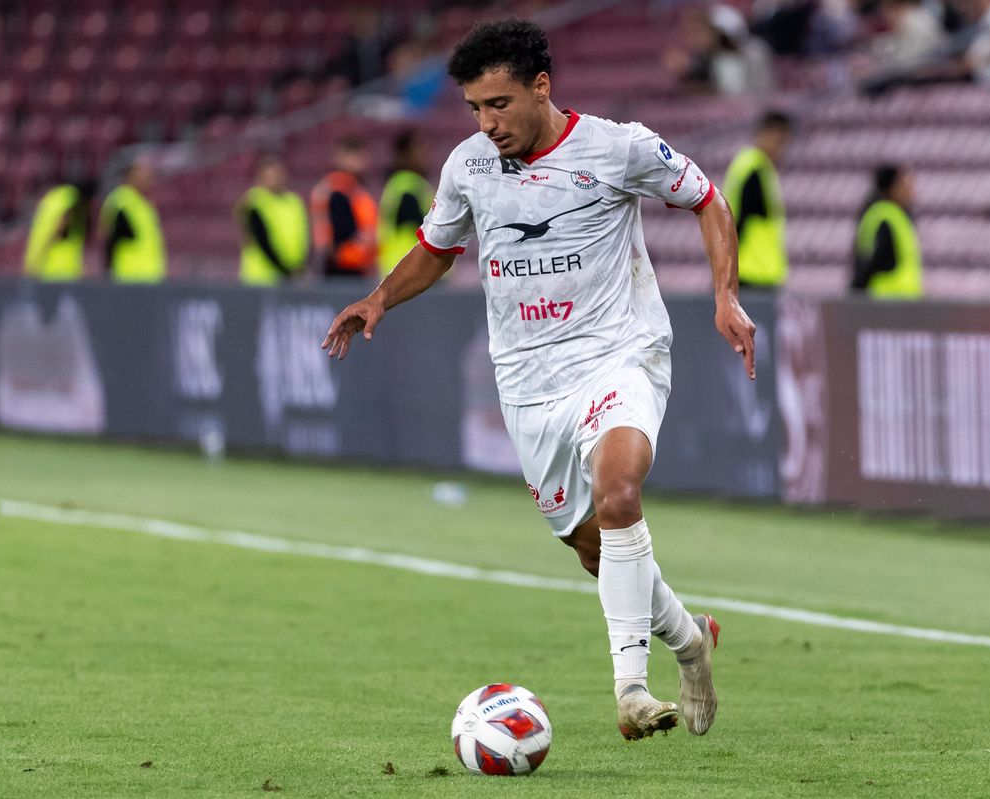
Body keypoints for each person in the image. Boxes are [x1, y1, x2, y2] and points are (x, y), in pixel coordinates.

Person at [322, 18, 757, 741]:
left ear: (541, 87)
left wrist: (726, 296)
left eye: (499, 104)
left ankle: (631, 690)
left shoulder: (617, 148)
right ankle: (690, 641)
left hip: (620, 353)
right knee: (592, 547)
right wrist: (379, 299)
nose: (487, 123)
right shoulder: (468, 165)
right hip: (528, 380)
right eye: (475, 108)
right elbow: (437, 247)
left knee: (620, 492)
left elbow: (708, 199)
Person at [723, 111, 792, 290]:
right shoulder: (754, 169)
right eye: (779, 141)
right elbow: (740, 219)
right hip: (752, 270)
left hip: (754, 269)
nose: (781, 149)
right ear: (766, 134)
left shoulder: (752, 165)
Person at [310, 136, 379, 279]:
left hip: (357, 263)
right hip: (343, 264)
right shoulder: (338, 189)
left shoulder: (354, 188)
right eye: (353, 155)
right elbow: (340, 230)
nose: (358, 161)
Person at [236, 153, 310, 286]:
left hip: (290, 275)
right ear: (260, 177)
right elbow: (262, 241)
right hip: (261, 277)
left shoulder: (294, 201)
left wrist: (300, 266)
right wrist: (286, 271)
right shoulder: (255, 202)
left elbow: (303, 236)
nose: (275, 179)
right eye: (270, 176)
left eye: (277, 174)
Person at [851, 164, 923, 298]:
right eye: (905, 183)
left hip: (901, 303)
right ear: (892, 187)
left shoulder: (898, 216)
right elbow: (867, 265)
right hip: (884, 302)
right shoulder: (884, 218)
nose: (911, 190)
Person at [377, 130, 434, 276]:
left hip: (403, 267)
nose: (423, 155)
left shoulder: (402, 183)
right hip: (410, 268)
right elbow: (424, 224)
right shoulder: (407, 185)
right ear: (405, 154)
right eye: (418, 149)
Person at [100, 161, 166, 283]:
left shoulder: (141, 202)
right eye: (143, 175)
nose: (147, 179)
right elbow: (111, 237)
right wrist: (108, 269)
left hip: (148, 274)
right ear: (130, 176)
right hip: (129, 274)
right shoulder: (122, 200)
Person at [24, 180, 96, 282]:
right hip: (59, 270)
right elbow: (56, 230)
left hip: (57, 269)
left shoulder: (57, 198)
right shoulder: (70, 204)